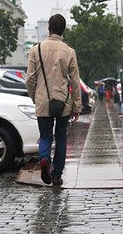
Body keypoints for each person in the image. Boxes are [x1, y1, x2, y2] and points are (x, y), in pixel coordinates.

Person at [26, 14, 82, 186]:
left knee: (45, 136)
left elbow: (30, 79)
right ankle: (56, 174)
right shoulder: (69, 51)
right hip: (63, 101)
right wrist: (77, 105)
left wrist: (35, 96)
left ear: (49, 28)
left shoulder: (36, 49)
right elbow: (75, 81)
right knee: (61, 136)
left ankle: (44, 159)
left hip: (43, 100)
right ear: (63, 30)